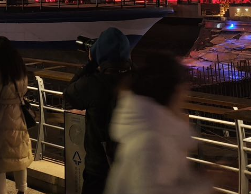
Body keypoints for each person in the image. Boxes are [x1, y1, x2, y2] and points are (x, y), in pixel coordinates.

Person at [105, 54, 210, 194]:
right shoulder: (150, 143)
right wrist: (205, 186)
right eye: (183, 90)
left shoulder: (157, 131)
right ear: (172, 93)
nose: (187, 96)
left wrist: (207, 182)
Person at [63, 27, 133, 194]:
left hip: (99, 168)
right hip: (130, 168)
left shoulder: (93, 83)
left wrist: (91, 64)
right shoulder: (137, 81)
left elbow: (68, 95)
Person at [0, 36, 33, 194]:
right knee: (19, 155)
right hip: (18, 114)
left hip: (1, 116)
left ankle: (0, 191)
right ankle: (22, 189)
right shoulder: (20, 67)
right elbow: (24, 89)